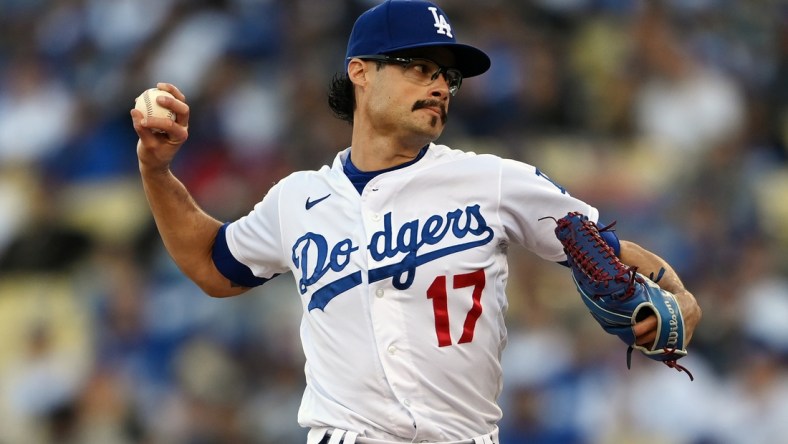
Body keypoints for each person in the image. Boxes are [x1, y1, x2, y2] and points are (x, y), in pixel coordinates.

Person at [129, 1, 702, 443]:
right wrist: (156, 171)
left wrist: (672, 288)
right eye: (419, 67)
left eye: (447, 77)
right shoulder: (297, 199)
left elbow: (599, 248)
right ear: (360, 72)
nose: (439, 86)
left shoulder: (493, 180)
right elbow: (211, 263)